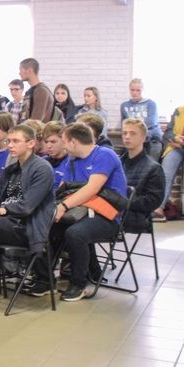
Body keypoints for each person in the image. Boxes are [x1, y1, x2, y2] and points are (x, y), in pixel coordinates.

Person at [44, 122, 129, 301]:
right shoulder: (72, 161)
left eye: (64, 142)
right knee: (44, 226)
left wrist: (63, 207)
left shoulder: (104, 155)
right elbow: (64, 189)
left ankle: (78, 284)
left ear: (74, 142)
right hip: (79, 212)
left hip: (106, 216)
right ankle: (44, 278)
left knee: (76, 233)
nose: (63, 146)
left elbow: (92, 188)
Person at [0, 125, 56, 297]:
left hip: (25, 227)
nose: (10, 145)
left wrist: (5, 208)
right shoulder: (11, 169)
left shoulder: (42, 169)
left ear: (31, 143)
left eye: (16, 141)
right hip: (6, 222)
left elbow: (27, 206)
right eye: (9, 141)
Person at [120, 119, 165, 235]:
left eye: (133, 133)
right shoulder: (117, 163)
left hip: (135, 217)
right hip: (113, 211)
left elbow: (153, 201)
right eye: (124, 133)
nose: (127, 137)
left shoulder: (154, 168)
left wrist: (122, 201)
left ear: (143, 138)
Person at [160, 82, 184, 216]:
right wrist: (175, 138)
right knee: (165, 171)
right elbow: (168, 131)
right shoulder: (179, 110)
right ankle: (159, 208)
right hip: (176, 146)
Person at [120, 79, 162, 160]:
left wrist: (137, 132)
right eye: (132, 90)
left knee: (151, 159)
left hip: (151, 138)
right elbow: (124, 124)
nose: (135, 93)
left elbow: (151, 122)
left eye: (138, 90)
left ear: (142, 90)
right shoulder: (124, 106)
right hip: (133, 137)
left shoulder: (151, 104)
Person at [19, 59, 56, 123]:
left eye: (21, 70)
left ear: (29, 70)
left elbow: (36, 121)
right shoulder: (30, 91)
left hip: (33, 129)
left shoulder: (41, 91)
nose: (19, 73)